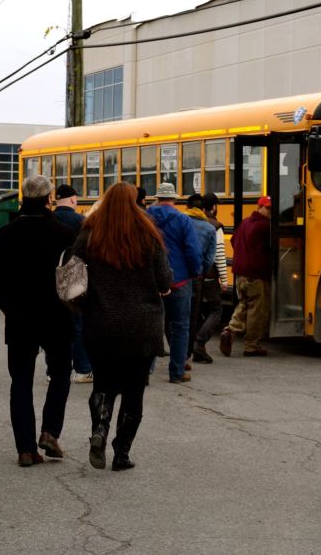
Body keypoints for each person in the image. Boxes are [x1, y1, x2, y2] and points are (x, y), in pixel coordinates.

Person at [73, 182, 172, 470]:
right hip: (142, 326)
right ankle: (121, 453)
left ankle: (99, 432)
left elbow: (74, 277)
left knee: (103, 384)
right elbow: (164, 281)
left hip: (101, 323)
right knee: (134, 390)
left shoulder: (90, 234)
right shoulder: (148, 235)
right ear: (135, 202)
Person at [0, 176, 76, 467]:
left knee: (21, 383)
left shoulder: (4, 234)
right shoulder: (64, 234)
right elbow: (74, 280)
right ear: (49, 198)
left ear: (23, 198)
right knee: (61, 373)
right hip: (57, 317)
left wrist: (10, 308)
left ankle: (26, 449)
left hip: (20, 319)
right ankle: (50, 431)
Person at [147, 182, 203, 382]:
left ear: (157, 198)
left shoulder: (145, 219)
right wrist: (195, 272)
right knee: (180, 326)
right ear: (175, 199)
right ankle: (177, 372)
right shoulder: (183, 219)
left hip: (151, 281)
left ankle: (145, 372)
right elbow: (193, 250)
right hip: (179, 281)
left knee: (153, 326)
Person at [220, 195, 272, 357]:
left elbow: (234, 240)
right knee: (258, 309)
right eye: (268, 208)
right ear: (260, 207)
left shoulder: (245, 222)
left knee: (244, 303)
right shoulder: (265, 226)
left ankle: (230, 331)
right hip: (256, 273)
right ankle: (252, 345)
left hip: (240, 272)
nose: (270, 212)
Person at [52, 183, 93, 383]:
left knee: (55, 325)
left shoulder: (48, 218)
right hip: (75, 279)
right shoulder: (80, 221)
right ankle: (83, 369)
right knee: (78, 325)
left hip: (50, 279)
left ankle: (54, 371)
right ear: (74, 199)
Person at [192, 193, 228, 363]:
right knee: (216, 310)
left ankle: (195, 348)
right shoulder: (216, 226)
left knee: (197, 311)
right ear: (214, 207)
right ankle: (199, 343)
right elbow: (218, 254)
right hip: (209, 275)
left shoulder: (192, 222)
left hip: (193, 274)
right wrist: (224, 279)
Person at [183, 194, 216, 364]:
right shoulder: (209, 228)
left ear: (187, 207)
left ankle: (178, 351)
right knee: (191, 316)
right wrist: (200, 270)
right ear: (203, 209)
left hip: (177, 274)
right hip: (196, 276)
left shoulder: (180, 222)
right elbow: (210, 258)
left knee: (171, 317)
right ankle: (185, 354)